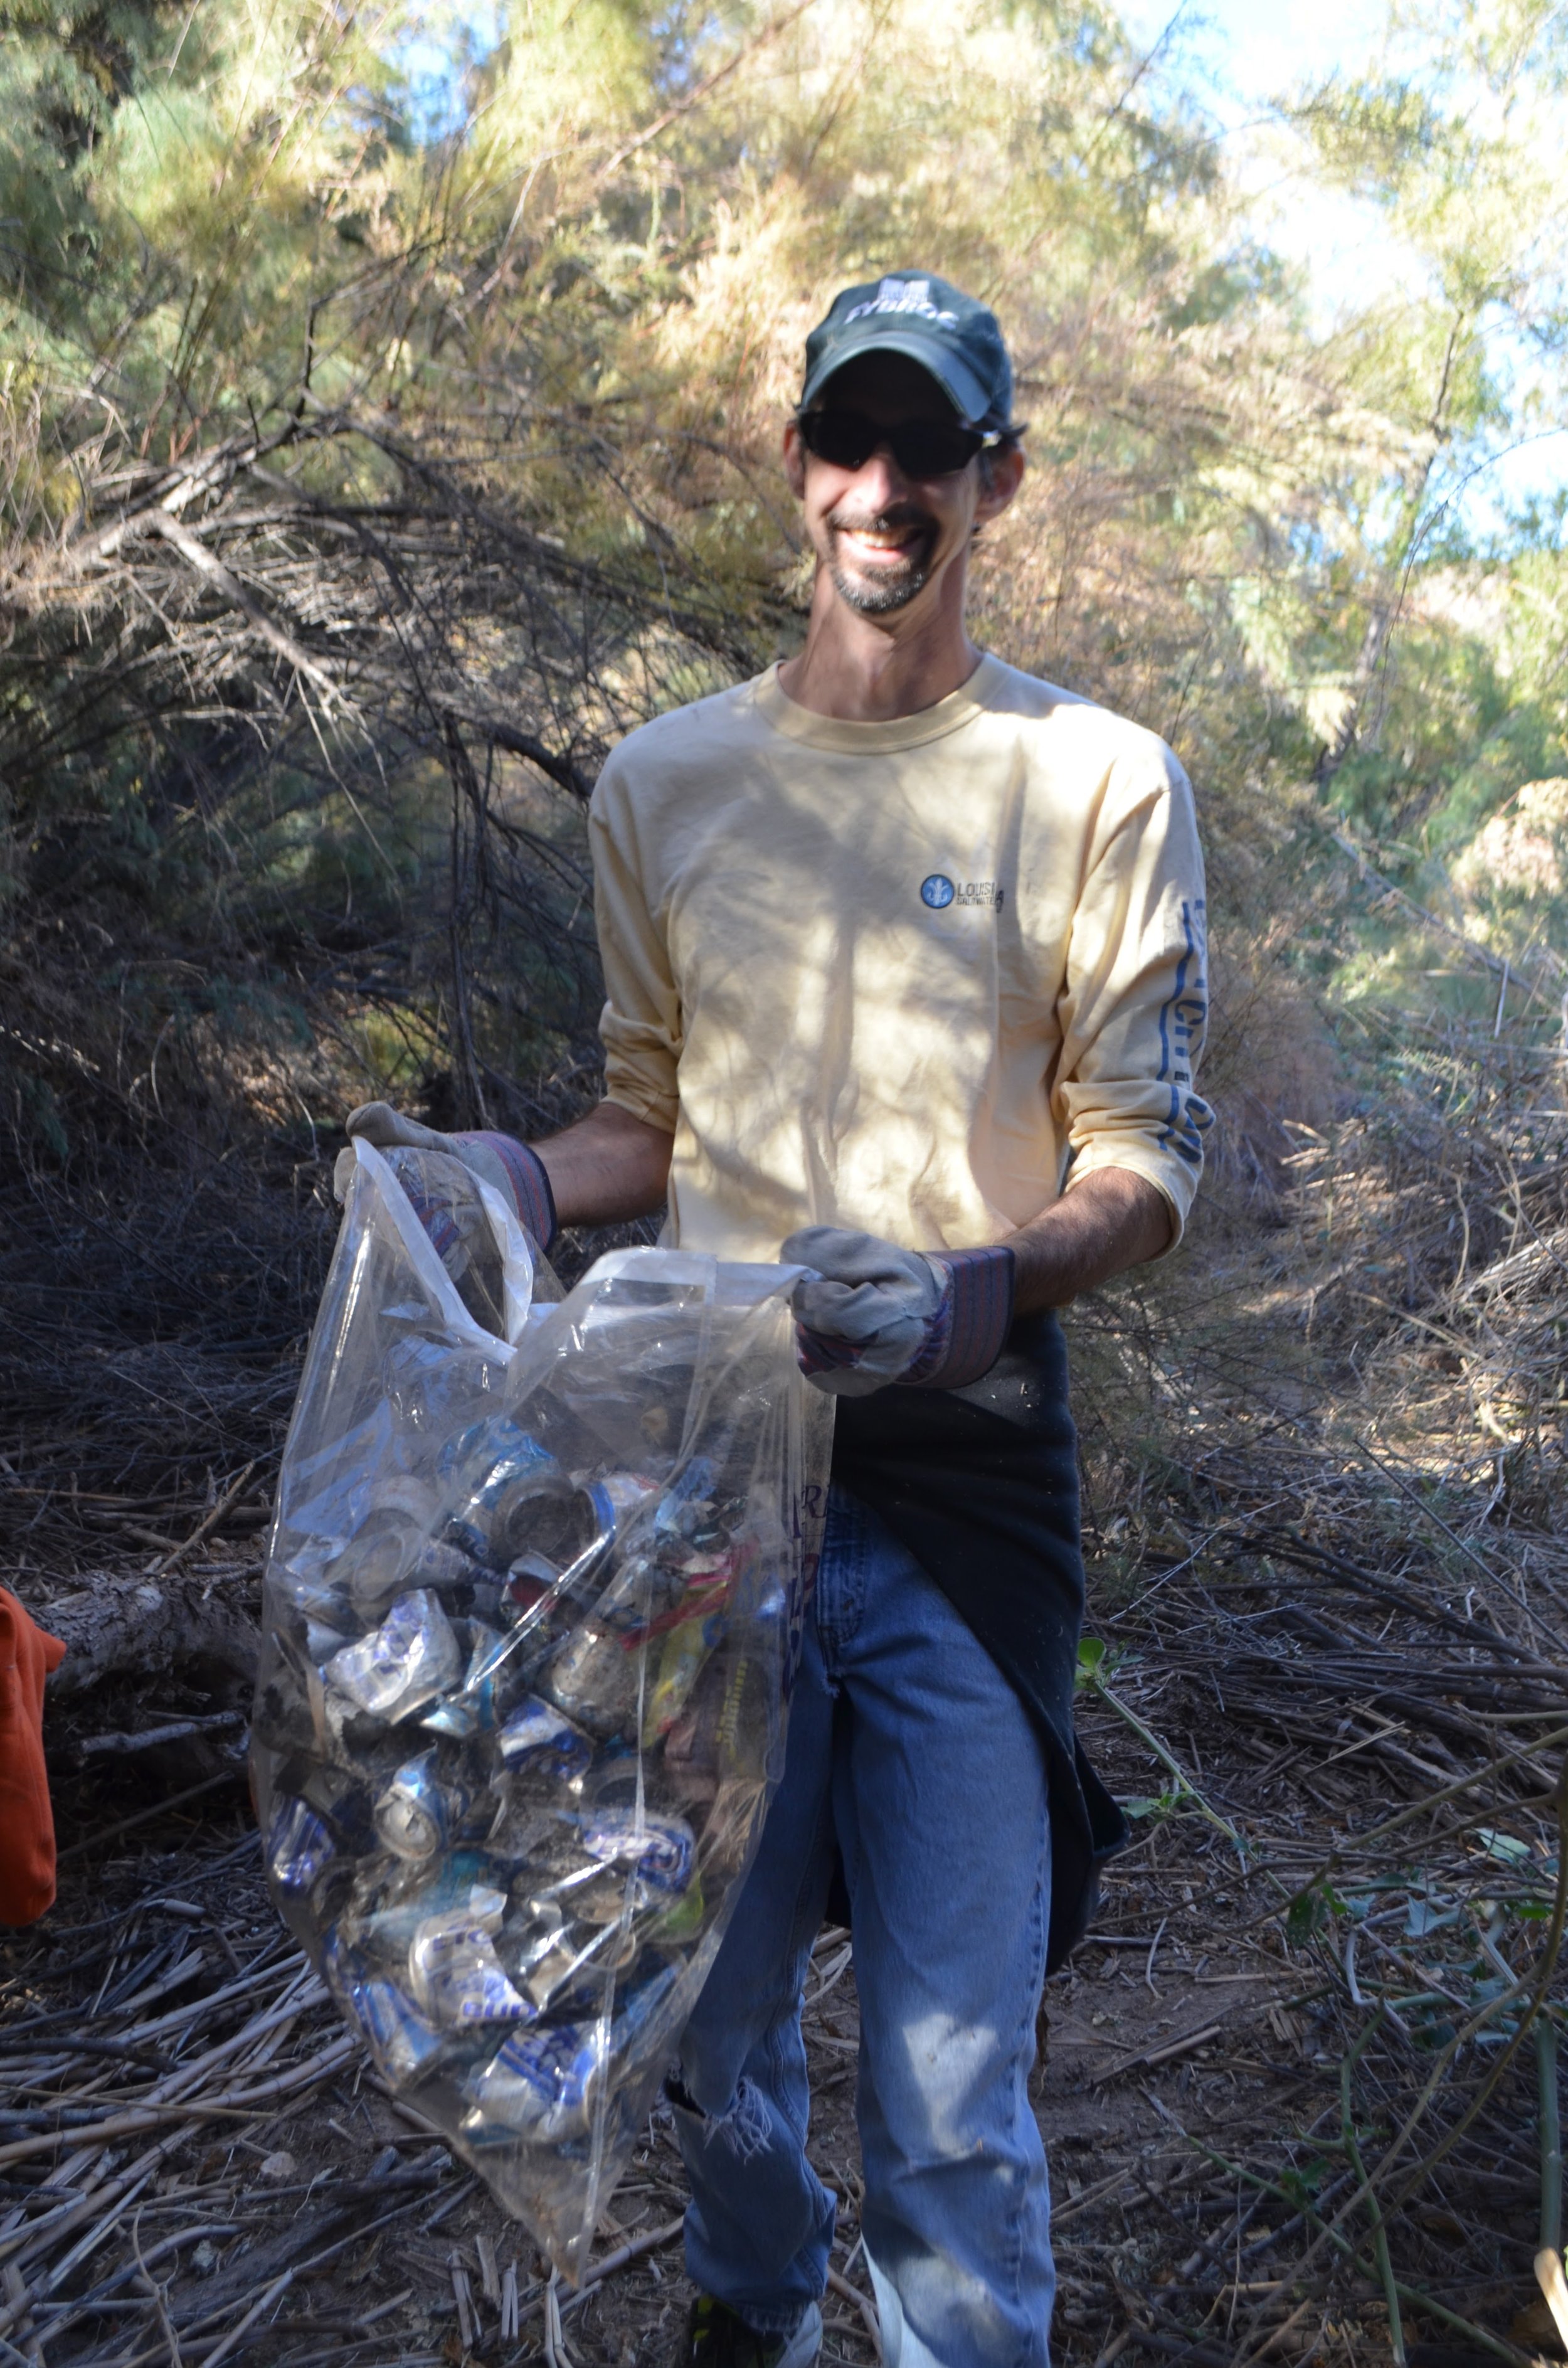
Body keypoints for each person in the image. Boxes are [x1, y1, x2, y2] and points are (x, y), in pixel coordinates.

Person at [349, 270, 1212, 2368]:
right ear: (800, 461)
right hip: (699, 1496)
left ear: (995, 478)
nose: (884, 487)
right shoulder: (663, 784)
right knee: (707, 2034)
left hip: (965, 1486)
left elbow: (1146, 1160)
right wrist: (494, 1180)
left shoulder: (1093, 778)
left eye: (932, 447)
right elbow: (646, 1119)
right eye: (852, 439)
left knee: (944, 2093)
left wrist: (972, 1290)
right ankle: (752, 2311)